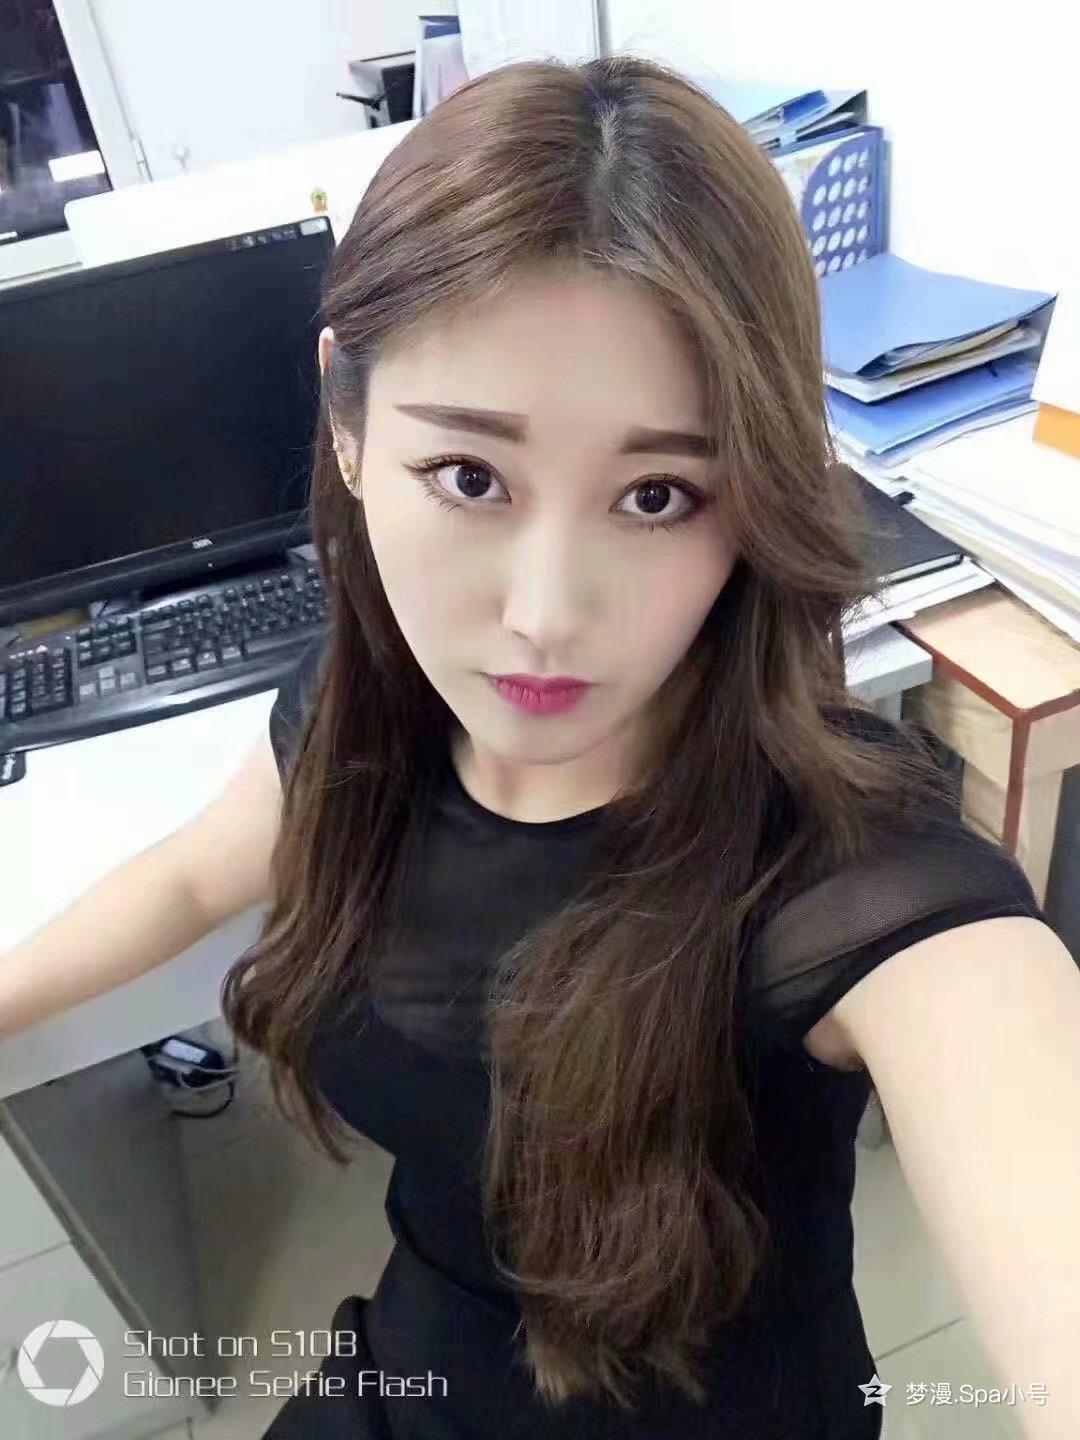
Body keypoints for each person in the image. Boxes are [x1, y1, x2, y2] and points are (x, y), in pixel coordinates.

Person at [3, 53, 1078, 1440]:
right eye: (470, 476)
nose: (545, 616)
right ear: (347, 424)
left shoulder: (852, 880)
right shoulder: (369, 717)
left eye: (658, 494)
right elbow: (193, 872)